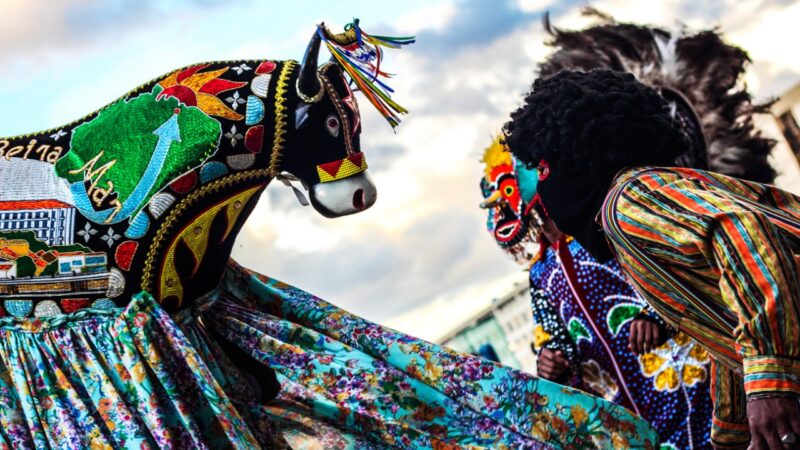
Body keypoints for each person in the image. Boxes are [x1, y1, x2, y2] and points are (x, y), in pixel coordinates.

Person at [504, 68, 800, 449]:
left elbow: (742, 233)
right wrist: (729, 435)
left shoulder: (625, 202)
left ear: (582, 158)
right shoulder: (642, 197)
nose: (545, 192)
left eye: (544, 170)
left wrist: (769, 383)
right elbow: (725, 330)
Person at [482, 136, 714, 449]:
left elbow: (677, 270)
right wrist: (550, 361)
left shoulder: (605, 226)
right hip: (627, 417)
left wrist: (655, 315)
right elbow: (552, 337)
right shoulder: (540, 271)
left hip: (689, 382)